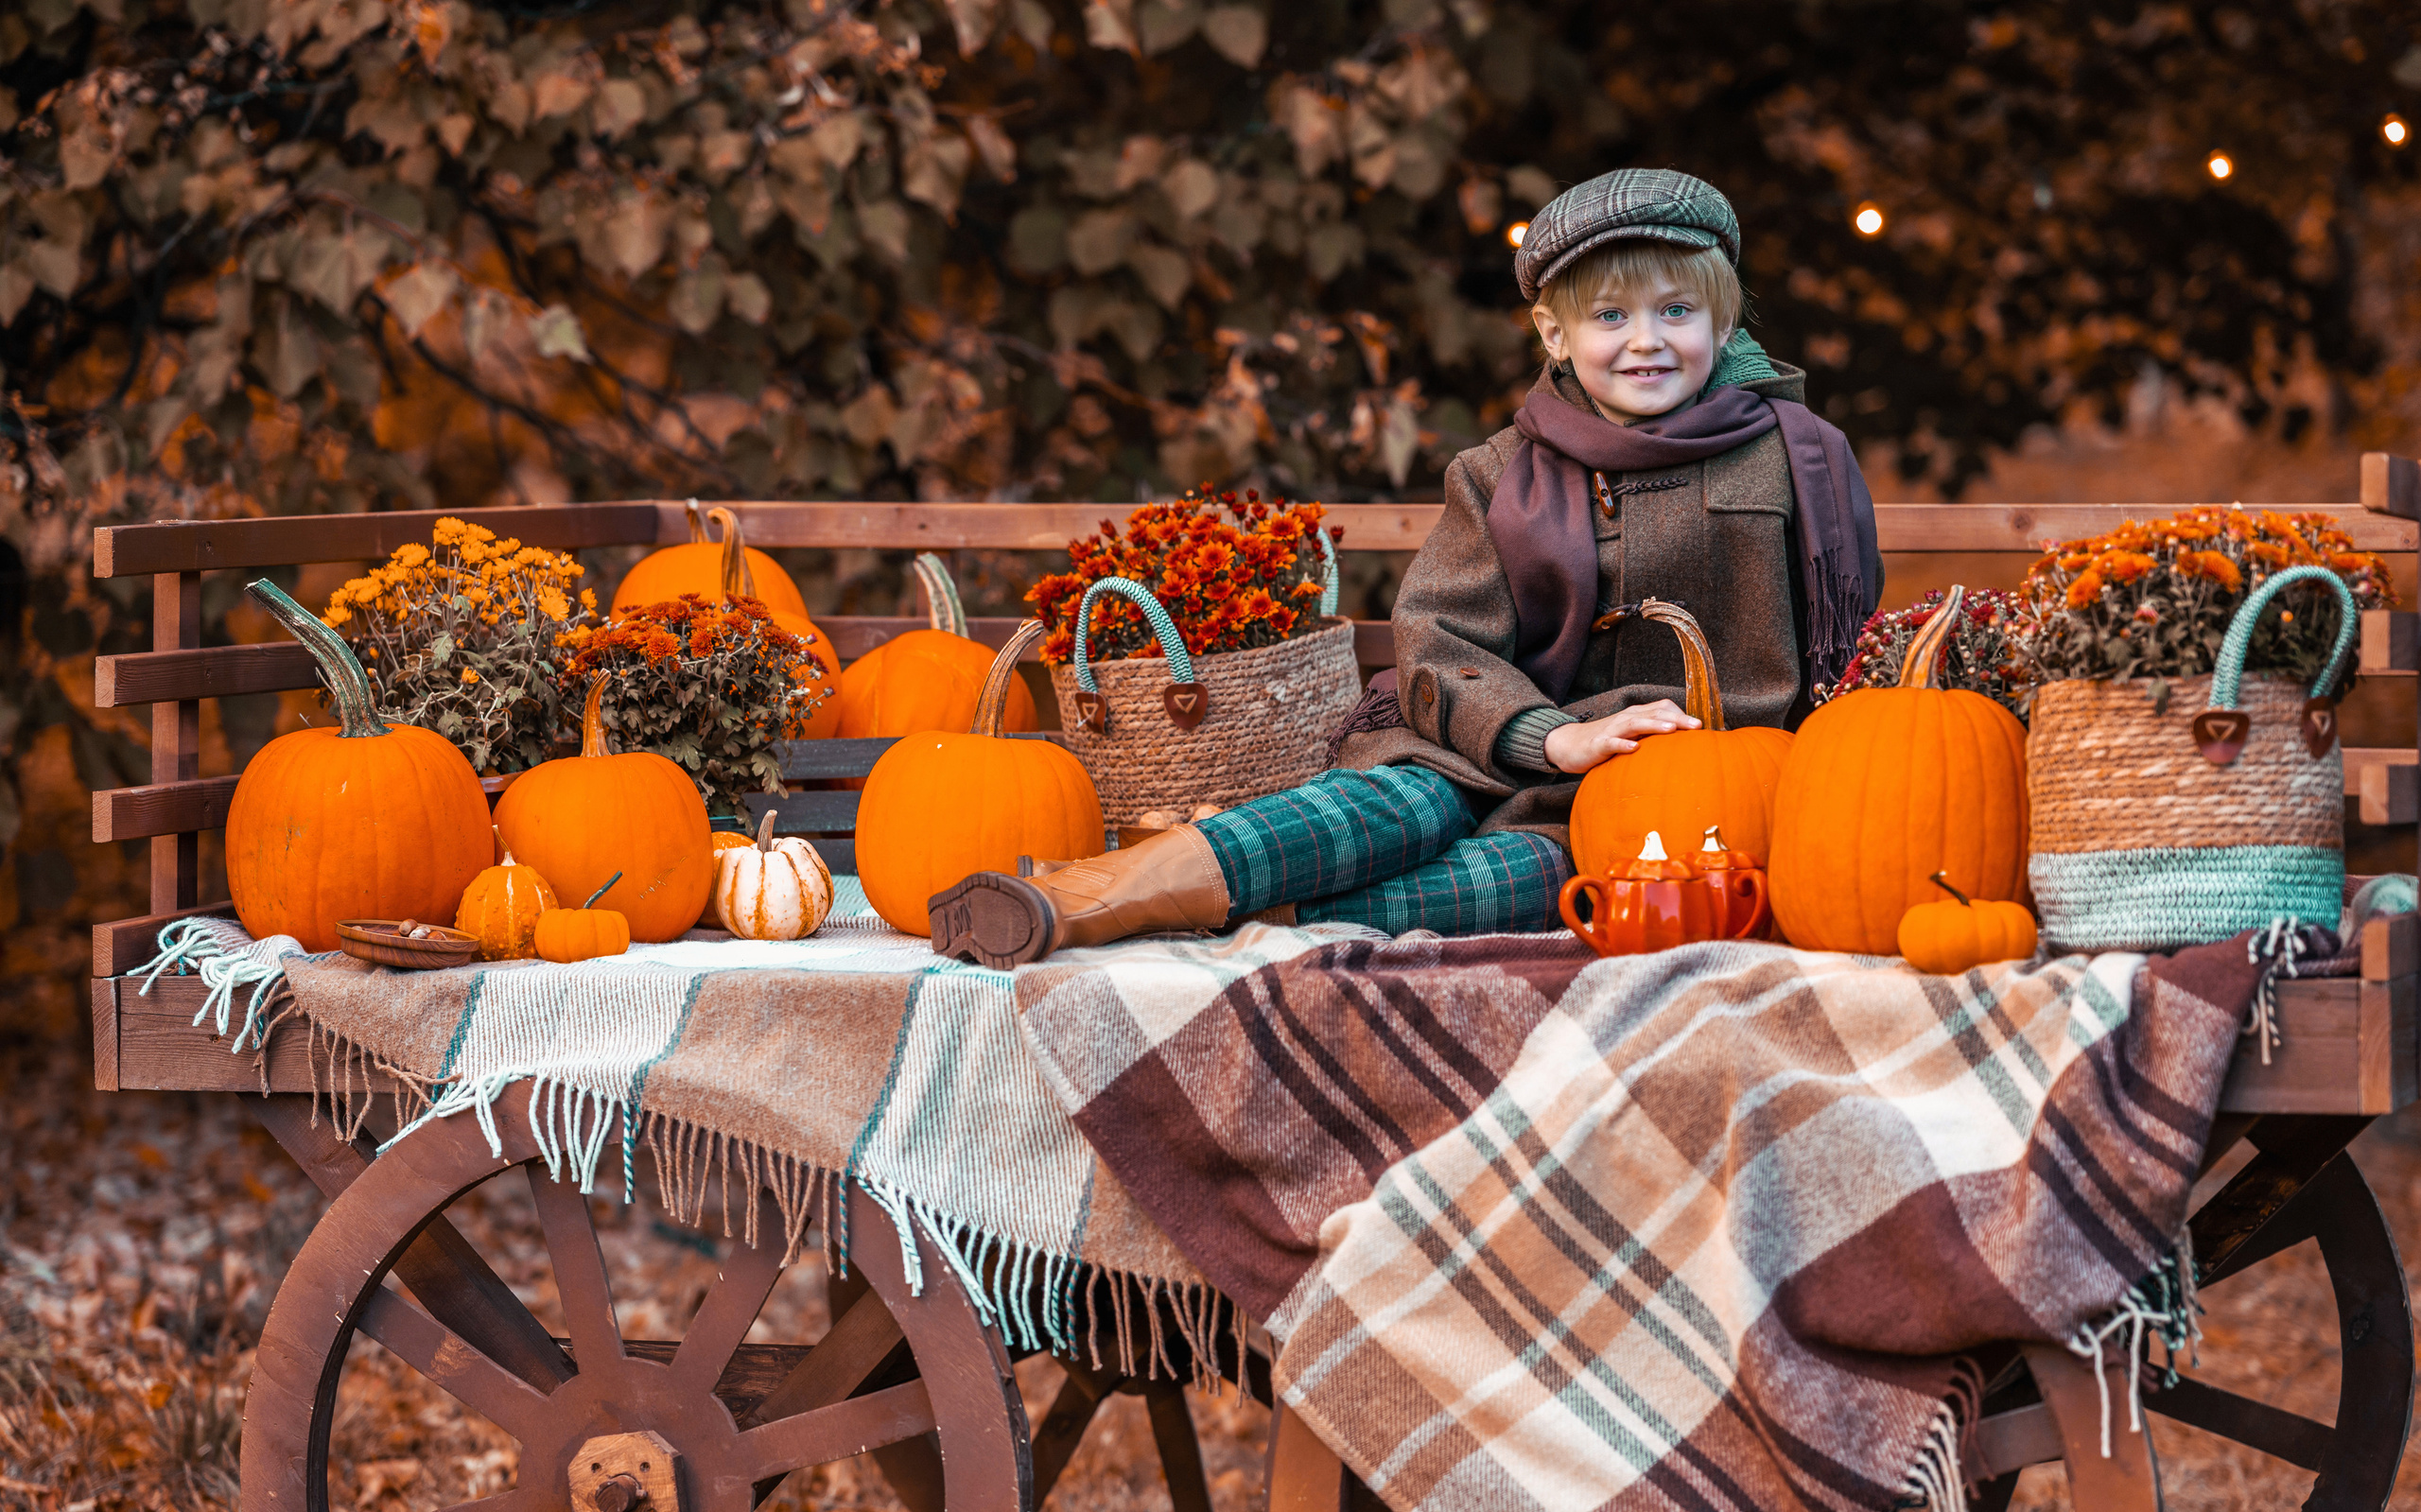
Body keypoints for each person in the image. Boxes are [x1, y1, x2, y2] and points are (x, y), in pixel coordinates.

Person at [928, 168, 1883, 967]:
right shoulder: (1499, 475)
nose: (1646, 339)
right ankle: (1072, 900)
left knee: (1502, 884)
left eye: (1677, 310)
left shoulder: (1789, 458)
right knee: (1387, 807)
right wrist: (1549, 736)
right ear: (1555, 335)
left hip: (1661, 804)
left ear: (1721, 321)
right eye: (1610, 315)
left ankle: (1167, 910)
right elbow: (1438, 639)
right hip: (1486, 746)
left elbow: (1839, 650)